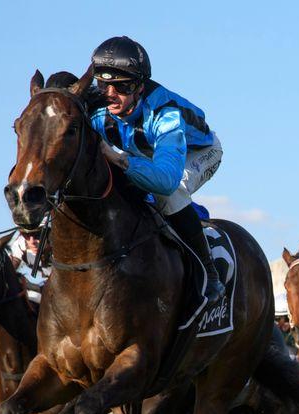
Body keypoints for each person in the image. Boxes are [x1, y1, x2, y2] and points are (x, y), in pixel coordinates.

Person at [89, 36, 225, 302]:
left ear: (140, 87)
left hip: (196, 153)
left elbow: (164, 180)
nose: (111, 95)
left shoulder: (166, 114)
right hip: (143, 152)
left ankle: (209, 273)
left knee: (169, 193)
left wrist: (118, 159)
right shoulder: (97, 106)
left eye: (123, 86)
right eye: (104, 85)